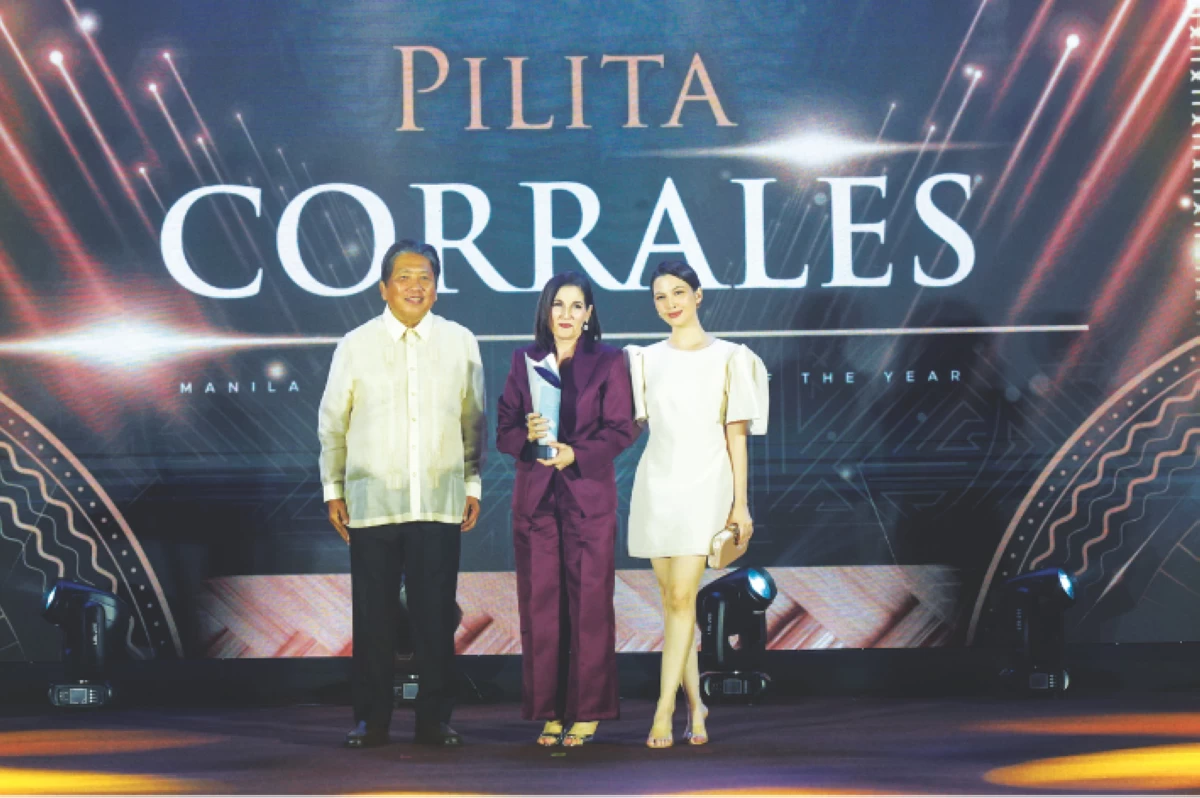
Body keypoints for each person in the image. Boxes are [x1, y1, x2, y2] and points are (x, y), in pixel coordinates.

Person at [318, 240, 486, 748]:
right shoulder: (356, 344)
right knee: (374, 617)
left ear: (437, 287)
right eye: (405, 277)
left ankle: (434, 719)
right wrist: (333, 488)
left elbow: (473, 421)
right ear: (384, 288)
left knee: (435, 616)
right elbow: (333, 423)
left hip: (439, 498)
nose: (416, 286)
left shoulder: (460, 341)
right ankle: (371, 720)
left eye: (425, 277)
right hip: (372, 502)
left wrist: (472, 482)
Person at [626, 260, 769, 748]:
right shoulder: (643, 360)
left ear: (698, 295)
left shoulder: (731, 357)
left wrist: (740, 504)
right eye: (660, 296)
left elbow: (737, 436)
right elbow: (631, 427)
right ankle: (697, 707)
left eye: (679, 293)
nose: (670, 303)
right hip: (656, 484)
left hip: (706, 484)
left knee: (682, 598)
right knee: (674, 603)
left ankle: (663, 710)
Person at [495, 271, 640, 747]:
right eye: (558, 304)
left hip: (587, 497)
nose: (566, 314)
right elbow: (504, 430)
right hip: (536, 501)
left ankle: (588, 711)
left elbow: (622, 429)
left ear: (589, 315)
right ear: (546, 310)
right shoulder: (525, 359)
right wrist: (528, 435)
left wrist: (576, 453)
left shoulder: (609, 361)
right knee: (541, 608)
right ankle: (551, 712)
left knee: (590, 608)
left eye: (577, 306)